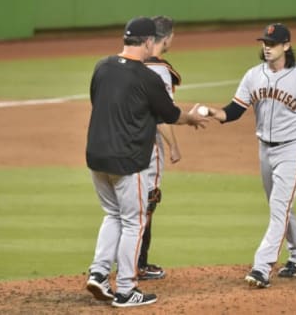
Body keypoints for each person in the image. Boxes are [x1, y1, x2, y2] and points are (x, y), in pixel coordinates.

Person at [85, 17, 208, 308]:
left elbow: (97, 101)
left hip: (96, 157)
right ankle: (126, 289)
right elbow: (170, 113)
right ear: (149, 42)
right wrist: (191, 118)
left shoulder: (102, 66)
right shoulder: (147, 77)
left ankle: (99, 273)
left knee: (112, 215)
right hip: (128, 161)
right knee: (133, 222)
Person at [204, 23, 296, 288]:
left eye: (272, 43)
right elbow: (234, 110)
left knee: (279, 206)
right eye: (264, 42)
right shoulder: (253, 75)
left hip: (293, 148)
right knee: (280, 206)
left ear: (286, 45)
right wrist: (212, 113)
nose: (267, 47)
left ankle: (261, 267)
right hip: (265, 148)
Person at [138, 15, 182, 281]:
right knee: (146, 204)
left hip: (124, 145)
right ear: (165, 38)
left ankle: (111, 263)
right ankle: (137, 264)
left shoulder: (128, 63)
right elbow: (162, 115)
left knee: (127, 207)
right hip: (148, 150)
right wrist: (174, 146)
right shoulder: (161, 70)